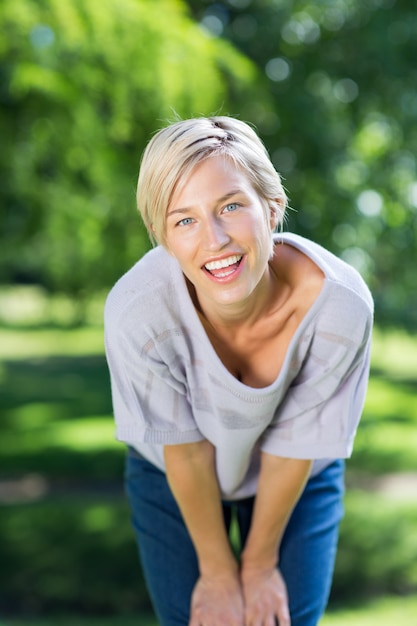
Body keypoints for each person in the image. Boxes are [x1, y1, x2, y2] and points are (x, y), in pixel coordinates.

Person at [104, 116, 373, 626]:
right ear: (162, 235)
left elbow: (295, 445)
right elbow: (185, 451)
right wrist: (220, 572)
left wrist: (258, 564)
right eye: (184, 220)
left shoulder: (340, 308)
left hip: (297, 467)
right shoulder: (138, 312)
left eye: (230, 206)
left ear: (271, 209)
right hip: (172, 467)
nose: (215, 240)